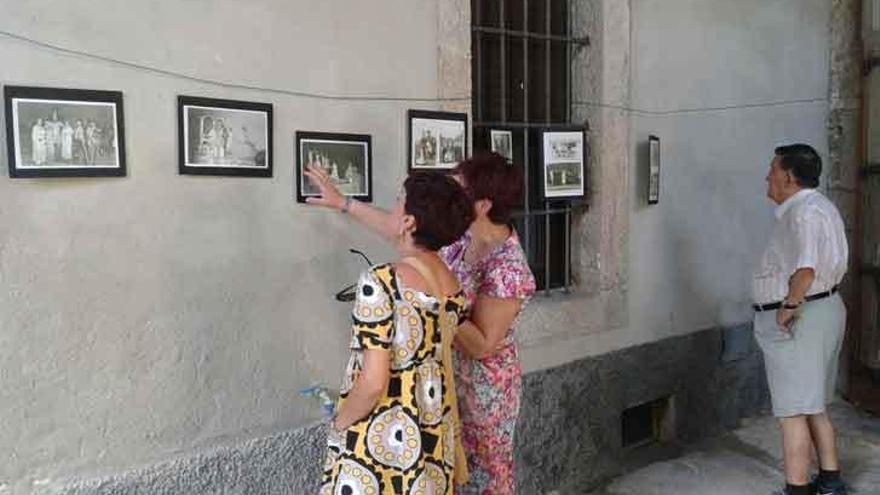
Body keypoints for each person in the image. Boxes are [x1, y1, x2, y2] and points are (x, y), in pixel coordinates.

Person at [306, 152, 535, 494]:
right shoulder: (456, 240)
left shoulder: (508, 268)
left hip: (479, 395)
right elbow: (406, 229)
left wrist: (431, 302)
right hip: (433, 385)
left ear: (483, 205)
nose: (450, 194)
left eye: (458, 188)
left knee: (483, 480)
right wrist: (344, 203)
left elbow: (484, 343)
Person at [311, 169, 474, 495]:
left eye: (399, 202)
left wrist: (340, 424)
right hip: (430, 433)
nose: (393, 208)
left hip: (381, 436)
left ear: (409, 223)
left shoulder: (381, 282)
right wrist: (343, 203)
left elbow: (373, 383)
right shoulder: (451, 284)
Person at [753, 144, 849, 495]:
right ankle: (829, 480)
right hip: (823, 309)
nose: (767, 176)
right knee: (812, 405)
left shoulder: (802, 213)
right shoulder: (819, 207)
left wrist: (787, 309)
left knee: (792, 411)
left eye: (772, 170)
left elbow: (805, 269)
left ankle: (797, 489)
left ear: (789, 177)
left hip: (801, 318)